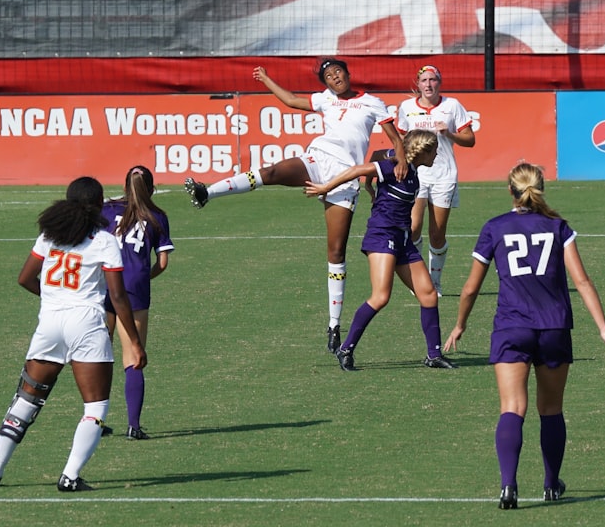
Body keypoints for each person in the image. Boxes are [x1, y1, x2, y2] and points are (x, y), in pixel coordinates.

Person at [184, 58, 406, 355]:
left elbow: (394, 136)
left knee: (336, 252)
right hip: (318, 160)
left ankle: (333, 325)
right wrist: (265, 79)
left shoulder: (371, 102)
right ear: (325, 83)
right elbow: (290, 100)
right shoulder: (325, 100)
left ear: (348, 74)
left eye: (338, 72)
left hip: (344, 176)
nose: (335, 77)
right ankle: (206, 193)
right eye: (328, 75)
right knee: (272, 172)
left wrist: (402, 159)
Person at [443, 163, 605, 510]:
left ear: (510, 190)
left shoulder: (495, 227)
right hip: (554, 327)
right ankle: (551, 483)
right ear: (541, 189)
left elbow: (469, 288)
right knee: (551, 409)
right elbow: (582, 281)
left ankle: (508, 486)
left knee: (512, 407)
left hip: (512, 327)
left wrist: (460, 324)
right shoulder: (558, 227)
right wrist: (604, 330)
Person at [0, 177, 147, 492]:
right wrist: (135, 343)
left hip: (50, 324)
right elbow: (119, 297)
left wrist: (54, 298)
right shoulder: (104, 241)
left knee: (26, 400)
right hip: (87, 325)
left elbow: (25, 278)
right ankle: (70, 476)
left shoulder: (49, 235)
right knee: (94, 407)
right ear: (100, 205)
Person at [304, 129, 455, 372]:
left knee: (427, 294)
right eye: (434, 149)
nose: (437, 153)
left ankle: (433, 355)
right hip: (382, 236)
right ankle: (346, 348)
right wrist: (327, 188)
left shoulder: (411, 169)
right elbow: (359, 169)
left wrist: (371, 189)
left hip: (402, 238)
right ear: (423, 151)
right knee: (381, 296)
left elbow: (376, 153)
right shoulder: (393, 166)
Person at [102, 165, 173, 440]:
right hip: (134, 290)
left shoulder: (107, 210)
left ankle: (95, 421)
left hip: (105, 284)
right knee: (133, 356)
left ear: (123, 187)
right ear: (152, 189)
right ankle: (133, 425)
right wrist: (144, 277)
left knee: (98, 355)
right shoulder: (157, 217)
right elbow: (163, 262)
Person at [395, 64, 476, 296]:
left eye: (433, 80)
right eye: (424, 80)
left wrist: (448, 133)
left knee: (437, 233)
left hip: (444, 176)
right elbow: (399, 140)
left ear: (439, 83)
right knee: (412, 228)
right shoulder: (407, 108)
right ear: (418, 84)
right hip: (416, 175)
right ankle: (420, 281)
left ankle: (436, 282)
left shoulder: (452, 106)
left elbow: (470, 140)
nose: (428, 85)